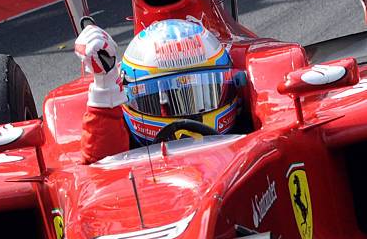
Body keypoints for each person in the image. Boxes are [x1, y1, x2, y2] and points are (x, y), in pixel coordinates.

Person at [75, 19, 243, 163]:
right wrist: (105, 86)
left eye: (205, 95)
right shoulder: (119, 143)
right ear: (127, 98)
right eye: (165, 101)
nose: (186, 117)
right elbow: (101, 172)